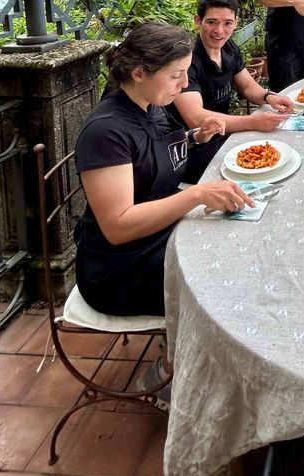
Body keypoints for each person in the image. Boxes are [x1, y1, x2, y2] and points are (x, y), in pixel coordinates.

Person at [74, 22, 255, 320]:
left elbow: (150, 151)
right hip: (121, 267)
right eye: (175, 75)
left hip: (162, 230)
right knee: (230, 280)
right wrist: (196, 194)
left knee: (242, 238)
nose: (184, 84)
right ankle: (188, 347)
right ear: (138, 73)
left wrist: (195, 137)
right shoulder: (106, 132)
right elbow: (118, 227)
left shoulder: (150, 103)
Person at [172, 0, 294, 183]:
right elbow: (195, 118)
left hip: (224, 135)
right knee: (268, 169)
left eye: (227, 23)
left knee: (282, 149)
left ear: (236, 22)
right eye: (212, 22)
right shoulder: (187, 60)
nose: (219, 31)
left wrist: (269, 97)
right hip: (193, 149)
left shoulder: (228, 48)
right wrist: (252, 122)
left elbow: (247, 86)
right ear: (198, 21)